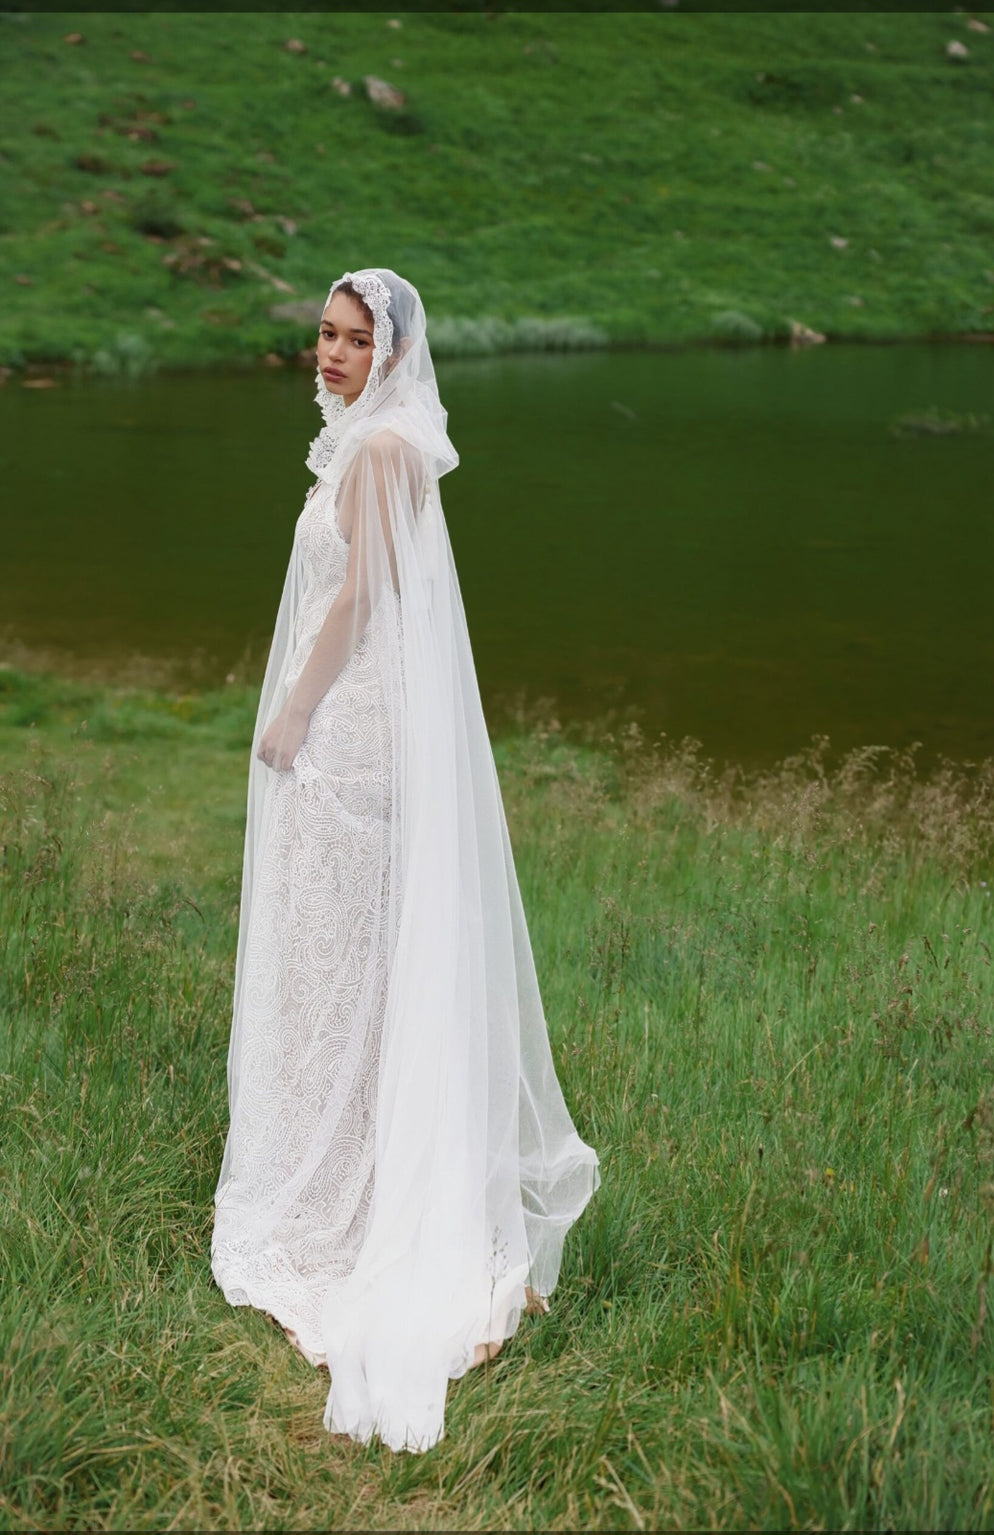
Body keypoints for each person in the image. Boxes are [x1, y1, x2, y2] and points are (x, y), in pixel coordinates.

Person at [210, 268, 599, 1454]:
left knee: (333, 961)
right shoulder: (372, 445)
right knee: (338, 961)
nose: (325, 353)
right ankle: (343, 1171)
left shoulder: (379, 454)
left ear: (391, 351)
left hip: (352, 733)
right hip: (353, 726)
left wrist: (293, 712)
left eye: (348, 338)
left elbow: (368, 596)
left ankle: (340, 1206)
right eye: (320, 334)